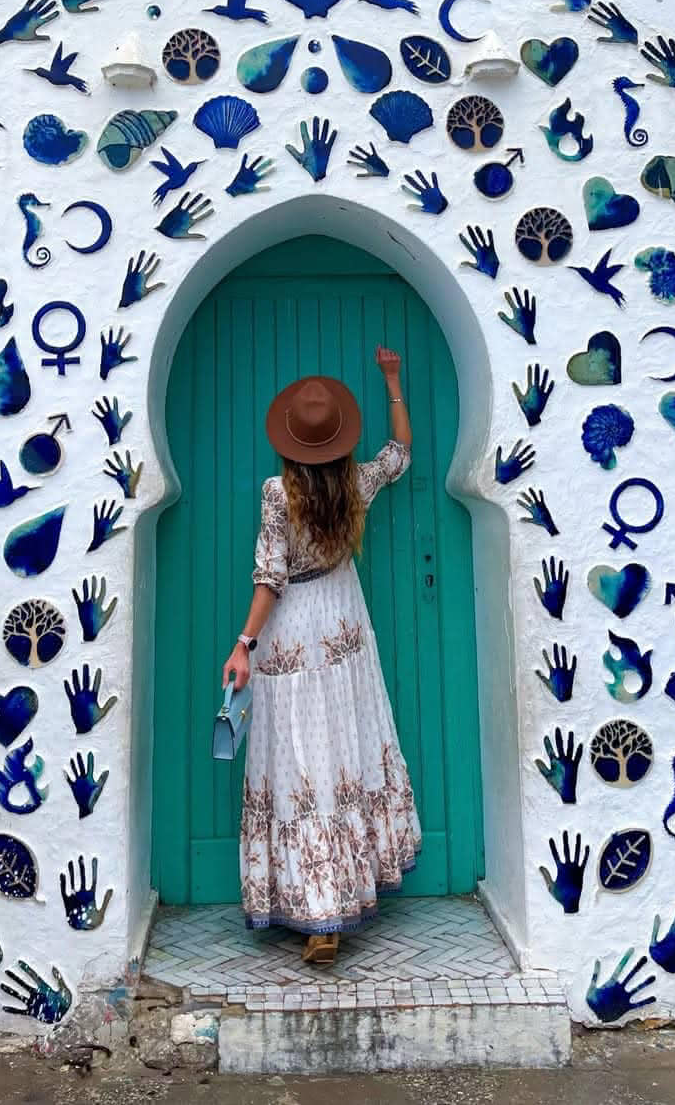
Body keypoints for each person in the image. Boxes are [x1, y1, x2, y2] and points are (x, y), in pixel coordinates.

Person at [222, 345, 420, 964]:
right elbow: (401, 453)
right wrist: (392, 381)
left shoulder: (279, 494)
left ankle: (318, 912)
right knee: (344, 752)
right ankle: (343, 896)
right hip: (344, 624)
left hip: (292, 631)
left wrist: (244, 644)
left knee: (298, 762)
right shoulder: (355, 482)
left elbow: (269, 575)